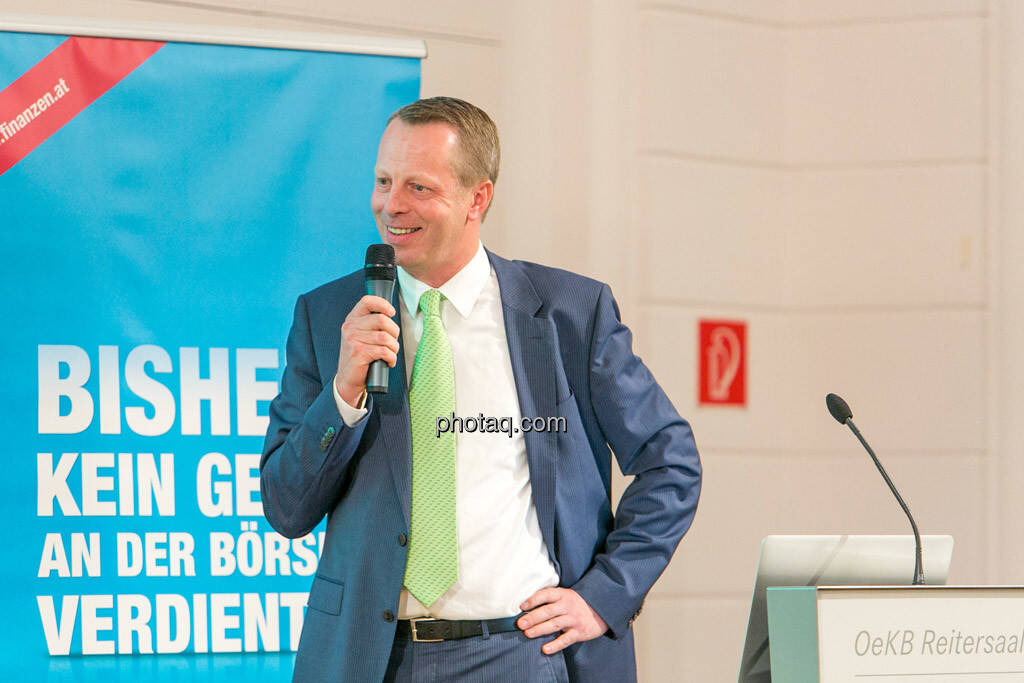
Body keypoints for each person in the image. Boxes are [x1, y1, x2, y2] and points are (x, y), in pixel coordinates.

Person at [260, 96, 701, 683]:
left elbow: (671, 463)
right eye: (384, 181)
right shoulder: (328, 315)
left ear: (478, 198)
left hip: (523, 654)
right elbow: (286, 508)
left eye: (419, 187)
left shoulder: (569, 314)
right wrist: (343, 394)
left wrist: (603, 595)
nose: (392, 205)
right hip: (369, 660)